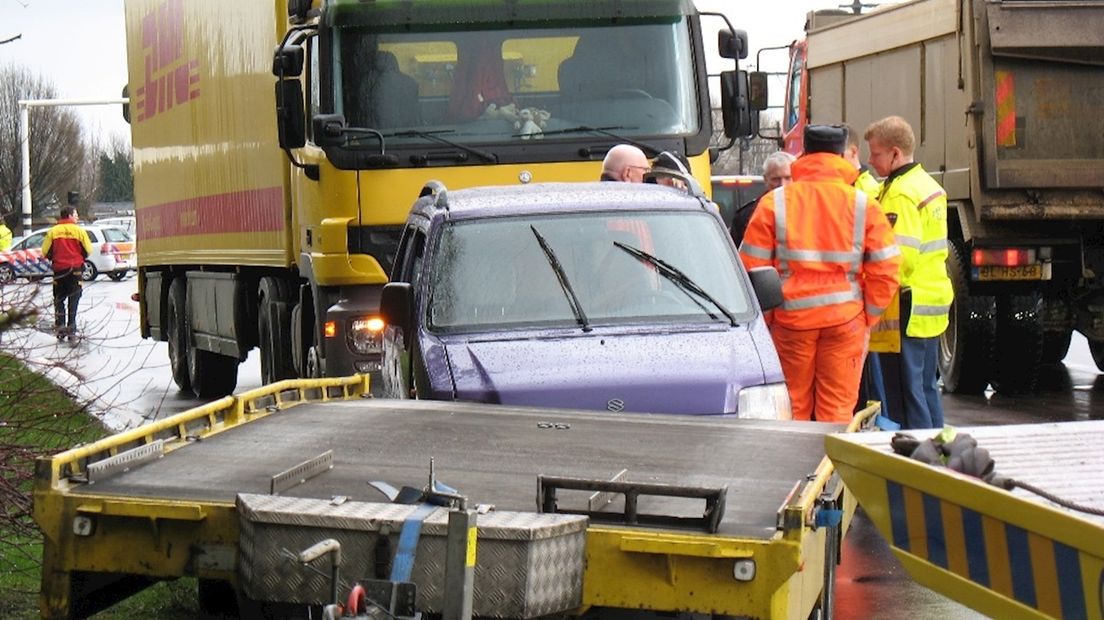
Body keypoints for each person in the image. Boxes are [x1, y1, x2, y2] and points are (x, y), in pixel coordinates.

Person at [740, 125, 900, 423]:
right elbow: (887, 267)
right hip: (845, 321)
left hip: (791, 322)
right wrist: (868, 316)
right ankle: (830, 468)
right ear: (841, 155)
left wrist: (773, 319)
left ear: (804, 154)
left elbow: (752, 270)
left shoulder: (774, 203)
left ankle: (793, 470)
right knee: (837, 412)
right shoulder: (864, 204)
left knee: (792, 409)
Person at [865, 115, 953, 429]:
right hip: (930, 306)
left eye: (875, 154)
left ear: (895, 154)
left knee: (906, 395)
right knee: (926, 389)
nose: (870, 160)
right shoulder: (926, 185)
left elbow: (900, 260)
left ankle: (917, 463)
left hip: (907, 306)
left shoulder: (901, 194)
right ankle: (938, 456)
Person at [843, 124, 889, 415]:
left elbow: (882, 257)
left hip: (862, 305)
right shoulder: (858, 190)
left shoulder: (867, 192)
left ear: (852, 153)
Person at [42, 207, 92, 341]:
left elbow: (45, 251)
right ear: (69, 216)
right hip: (75, 269)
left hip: (59, 270)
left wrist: (55, 259)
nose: (78, 217)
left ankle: (60, 327)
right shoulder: (79, 231)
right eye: (76, 215)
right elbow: (88, 249)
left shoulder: (53, 232)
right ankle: (71, 327)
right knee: (74, 299)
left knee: (59, 299)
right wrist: (79, 258)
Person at [730, 151, 795, 247]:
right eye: (776, 179)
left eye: (788, 178)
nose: (782, 184)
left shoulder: (809, 209)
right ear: (766, 179)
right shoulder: (746, 216)